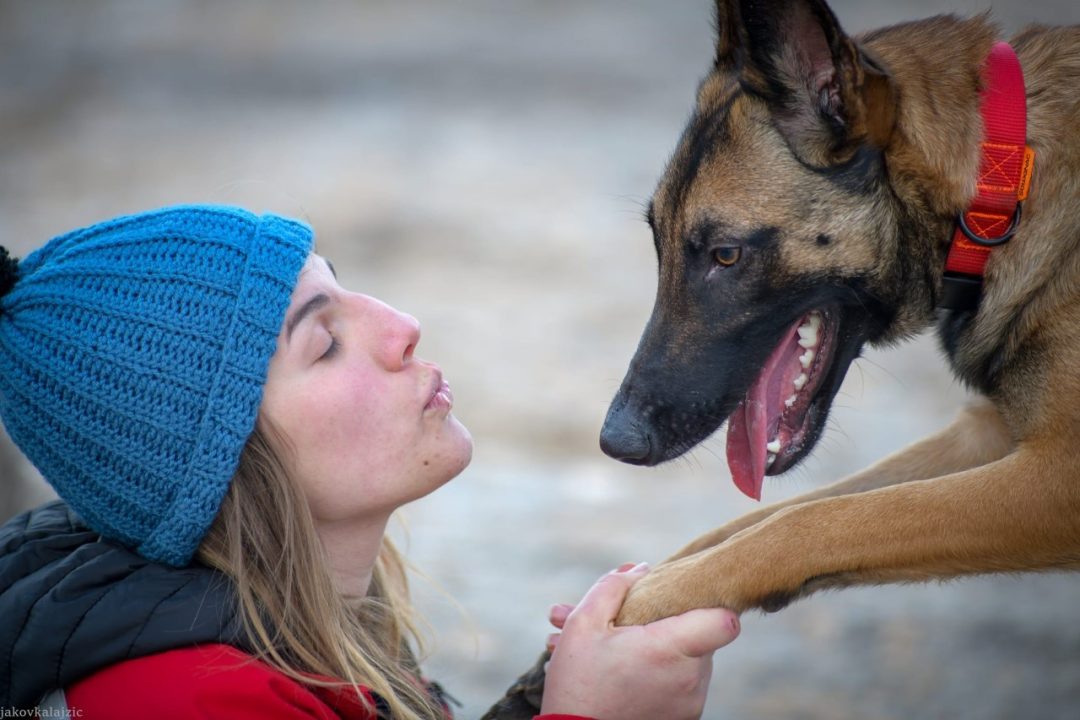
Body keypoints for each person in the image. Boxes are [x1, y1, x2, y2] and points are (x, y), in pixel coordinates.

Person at [0, 205, 741, 720]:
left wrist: (554, 696)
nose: (402, 324)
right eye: (325, 343)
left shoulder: (294, 637)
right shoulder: (185, 702)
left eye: (342, 285)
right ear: (225, 467)